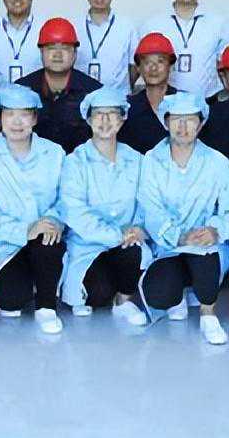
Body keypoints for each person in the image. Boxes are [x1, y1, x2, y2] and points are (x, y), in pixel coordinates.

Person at [137, 92, 229, 345]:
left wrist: (215, 231)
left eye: (190, 120)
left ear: (201, 123)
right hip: (170, 245)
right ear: (166, 122)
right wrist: (179, 236)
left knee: (204, 258)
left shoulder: (217, 162)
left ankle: (208, 315)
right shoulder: (151, 160)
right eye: (176, 120)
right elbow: (150, 208)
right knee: (159, 293)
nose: (183, 127)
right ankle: (181, 293)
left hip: (206, 245)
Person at [0, 84, 67, 334]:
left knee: (47, 241)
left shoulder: (54, 153)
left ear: (35, 118)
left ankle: (46, 306)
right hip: (5, 242)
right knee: (10, 299)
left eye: (24, 114)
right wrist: (26, 229)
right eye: (10, 114)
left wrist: (52, 220)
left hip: (46, 239)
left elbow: (66, 198)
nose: (17, 122)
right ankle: (32, 282)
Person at [58, 88, 149, 326]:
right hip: (87, 244)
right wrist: (117, 234)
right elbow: (74, 210)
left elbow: (147, 202)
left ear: (122, 118)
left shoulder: (138, 160)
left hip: (127, 242)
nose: (105, 121)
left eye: (112, 114)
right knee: (97, 294)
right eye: (99, 114)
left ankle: (124, 301)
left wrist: (139, 228)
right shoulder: (75, 162)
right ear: (88, 119)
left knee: (133, 251)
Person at [141, 0, 229, 99]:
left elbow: (225, 67)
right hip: (166, 103)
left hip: (209, 101)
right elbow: (143, 66)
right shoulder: (153, 25)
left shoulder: (218, 23)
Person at [16, 17, 102, 153]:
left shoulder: (94, 93)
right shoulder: (20, 91)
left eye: (65, 48)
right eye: (51, 48)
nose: (57, 54)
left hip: (80, 164)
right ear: (41, 52)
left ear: (74, 54)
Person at [73, 0, 138, 90]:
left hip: (117, 98)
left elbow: (134, 67)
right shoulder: (74, 26)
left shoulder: (126, 26)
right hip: (81, 97)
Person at [118, 32, 178, 154]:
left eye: (160, 61)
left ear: (171, 66)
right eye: (147, 62)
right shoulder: (128, 108)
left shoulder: (185, 103)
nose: (153, 68)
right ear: (138, 68)